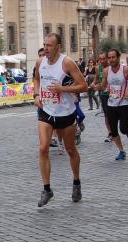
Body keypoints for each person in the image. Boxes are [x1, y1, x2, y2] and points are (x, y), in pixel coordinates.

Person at [33, 33, 87, 207]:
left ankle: (76, 182)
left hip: (65, 112)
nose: (46, 49)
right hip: (46, 111)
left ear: (58, 47)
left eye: (49, 46)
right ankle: (47, 189)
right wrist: (35, 94)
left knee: (71, 149)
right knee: (43, 148)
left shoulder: (67, 63)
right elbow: (36, 79)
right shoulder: (40, 62)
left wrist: (62, 89)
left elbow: (83, 85)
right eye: (44, 45)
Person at [99, 48, 128, 161]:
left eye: (113, 57)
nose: (111, 59)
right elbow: (104, 86)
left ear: (118, 57)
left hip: (124, 103)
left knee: (123, 128)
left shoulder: (126, 70)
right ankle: (121, 151)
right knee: (113, 130)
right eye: (109, 57)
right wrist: (98, 87)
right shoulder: (106, 71)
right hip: (111, 103)